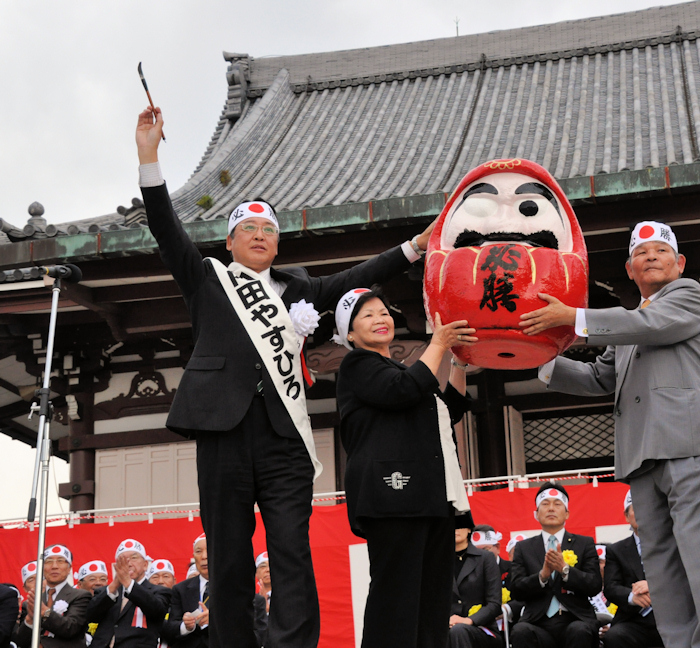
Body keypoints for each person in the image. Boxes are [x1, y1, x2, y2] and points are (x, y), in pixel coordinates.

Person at [135, 107, 434, 648]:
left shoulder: (299, 289)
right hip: (223, 430)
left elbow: (358, 277)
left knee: (291, 550)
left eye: (267, 230)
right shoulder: (207, 279)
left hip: (284, 440)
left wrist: (415, 247)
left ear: (277, 244)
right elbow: (165, 228)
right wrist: (149, 156)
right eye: (246, 228)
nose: (258, 235)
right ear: (229, 242)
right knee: (227, 553)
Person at [523, 221, 700, 648]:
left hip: (690, 444)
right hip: (641, 456)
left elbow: (653, 325)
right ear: (629, 268)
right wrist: (536, 357)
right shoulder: (629, 323)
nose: (651, 257)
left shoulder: (686, 296)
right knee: (662, 567)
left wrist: (574, 318)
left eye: (661, 251)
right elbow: (600, 377)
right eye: (642, 253)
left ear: (680, 264)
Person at [335, 285, 475, 648]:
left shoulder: (398, 370)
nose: (380, 319)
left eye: (383, 312)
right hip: (393, 494)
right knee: (396, 598)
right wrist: (439, 344)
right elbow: (400, 390)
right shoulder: (357, 365)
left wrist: (458, 363)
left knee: (431, 601)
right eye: (367, 315)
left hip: (431, 496)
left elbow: (446, 410)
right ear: (350, 333)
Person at [507, 483, 603, 648]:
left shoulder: (584, 543)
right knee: (521, 631)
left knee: (579, 630)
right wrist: (542, 576)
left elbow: (594, 585)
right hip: (537, 621)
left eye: (557, 504)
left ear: (567, 514)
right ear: (536, 514)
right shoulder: (524, 548)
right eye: (545, 504)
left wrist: (565, 571)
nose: (551, 508)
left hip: (575, 617)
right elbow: (516, 589)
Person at [602, 490, 662, 648]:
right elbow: (610, 586)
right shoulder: (617, 550)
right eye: (636, 508)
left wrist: (654, 585)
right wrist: (632, 597)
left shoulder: (670, 545)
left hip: (670, 618)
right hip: (633, 620)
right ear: (627, 516)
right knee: (614, 637)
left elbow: (682, 579)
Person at [86, 538, 172, 648]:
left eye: (134, 558)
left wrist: (128, 583)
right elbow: (91, 616)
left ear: (145, 564)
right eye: (123, 559)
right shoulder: (106, 591)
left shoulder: (159, 591)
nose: (129, 563)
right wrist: (113, 586)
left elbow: (157, 611)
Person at [13, 544, 91, 648]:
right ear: (42, 567)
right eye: (49, 561)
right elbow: (21, 642)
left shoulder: (81, 595)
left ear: (69, 568)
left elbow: (71, 628)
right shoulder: (30, 602)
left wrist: (45, 612)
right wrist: (29, 621)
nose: (54, 566)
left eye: (60, 561)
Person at [449, 526, 503, 648]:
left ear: (469, 529)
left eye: (460, 524)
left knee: (458, 631)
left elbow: (494, 603)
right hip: (447, 626)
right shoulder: (437, 560)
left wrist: (468, 620)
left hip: (481, 628)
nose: (455, 529)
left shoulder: (485, 558)